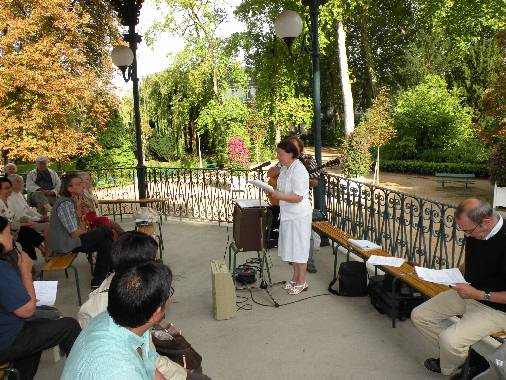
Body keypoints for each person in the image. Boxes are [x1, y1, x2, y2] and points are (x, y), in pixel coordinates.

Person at [78, 231, 199, 380]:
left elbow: (147, 359)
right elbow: (149, 359)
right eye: (153, 261)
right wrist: (183, 374)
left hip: (110, 345)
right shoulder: (124, 307)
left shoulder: (117, 289)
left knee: (185, 352)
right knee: (192, 363)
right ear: (139, 267)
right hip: (115, 354)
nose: (156, 265)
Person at [411, 199, 506, 379]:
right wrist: (450, 274)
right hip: (469, 292)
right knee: (420, 316)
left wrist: (478, 294)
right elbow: (472, 261)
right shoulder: (477, 232)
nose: (466, 236)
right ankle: (468, 360)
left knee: (450, 340)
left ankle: (456, 365)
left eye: (467, 231)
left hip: (497, 308)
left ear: (485, 222)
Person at [0, 216, 81, 380]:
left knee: (40, 331)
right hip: (7, 340)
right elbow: (28, 310)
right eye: (8, 233)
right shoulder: (2, 269)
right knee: (69, 326)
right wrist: (25, 273)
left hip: (8, 331)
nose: (12, 237)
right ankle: (83, 374)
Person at [61, 261, 172, 380]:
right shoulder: (119, 372)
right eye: (169, 293)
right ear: (156, 312)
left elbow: (150, 369)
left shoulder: (125, 320)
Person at [266, 134, 321, 273]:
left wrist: (300, 181)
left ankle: (308, 261)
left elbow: (315, 182)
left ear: (296, 149)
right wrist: (281, 171)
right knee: (292, 240)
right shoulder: (284, 164)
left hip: (300, 205)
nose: (278, 156)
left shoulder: (307, 161)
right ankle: (295, 260)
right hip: (286, 203)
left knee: (304, 238)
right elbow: (270, 173)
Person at [48, 173, 113, 288]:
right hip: (64, 245)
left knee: (105, 242)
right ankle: (111, 269)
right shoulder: (65, 204)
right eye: (79, 184)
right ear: (69, 188)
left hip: (71, 241)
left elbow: (81, 228)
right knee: (105, 231)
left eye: (81, 183)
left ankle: (98, 280)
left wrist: (78, 209)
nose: (82, 186)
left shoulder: (72, 202)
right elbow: (74, 234)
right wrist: (91, 233)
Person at [0, 177, 47, 260]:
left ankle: (31, 261)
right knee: (26, 232)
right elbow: (5, 223)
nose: (10, 190)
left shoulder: (9, 200)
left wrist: (25, 219)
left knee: (26, 236)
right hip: (4, 232)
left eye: (10, 187)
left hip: (15, 229)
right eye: (6, 188)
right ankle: (42, 252)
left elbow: (15, 217)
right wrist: (25, 223)